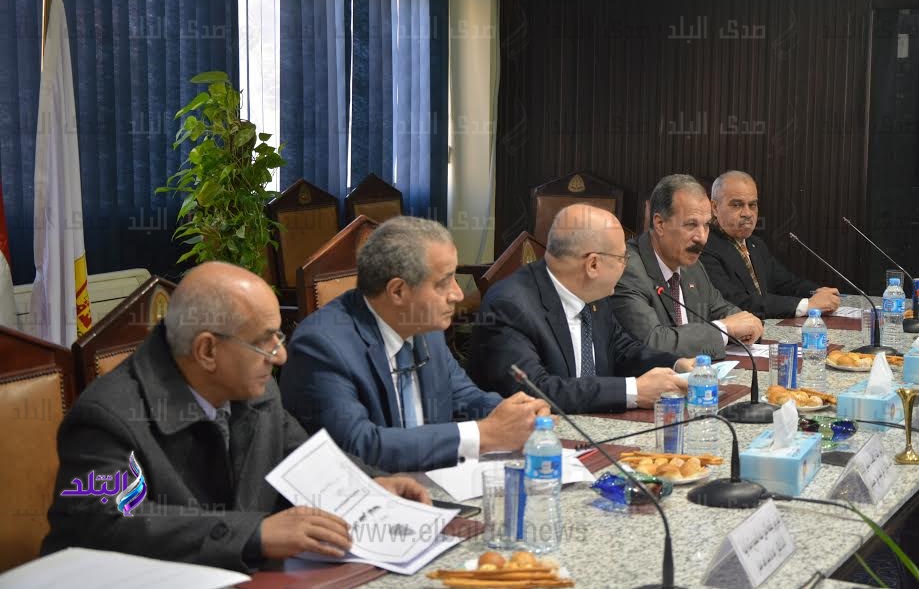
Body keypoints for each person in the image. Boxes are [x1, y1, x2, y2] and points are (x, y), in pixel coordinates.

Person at [42, 262, 429, 572]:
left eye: (279, 337)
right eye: (265, 341)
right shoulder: (106, 416)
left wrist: (370, 484)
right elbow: (104, 520)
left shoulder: (255, 389)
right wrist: (254, 533)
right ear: (208, 351)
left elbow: (303, 457)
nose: (281, 356)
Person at [281, 216, 549, 473]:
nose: (458, 294)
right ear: (398, 291)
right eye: (444, 283)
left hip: (436, 481)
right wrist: (483, 435)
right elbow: (359, 447)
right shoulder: (322, 346)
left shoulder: (424, 327)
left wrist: (519, 414)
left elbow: (463, 396)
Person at [468, 204, 692, 414]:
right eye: (622, 258)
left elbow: (621, 350)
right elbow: (535, 391)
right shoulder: (510, 306)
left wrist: (677, 365)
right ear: (593, 264)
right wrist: (634, 391)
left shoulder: (593, 293)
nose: (625, 266)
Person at [609, 174, 765, 359]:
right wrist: (725, 329)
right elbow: (652, 343)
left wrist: (748, 324)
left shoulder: (692, 266)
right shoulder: (627, 269)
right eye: (691, 225)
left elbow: (722, 310)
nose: (702, 237)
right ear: (660, 224)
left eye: (706, 225)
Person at [701, 170, 840, 319]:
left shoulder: (756, 244)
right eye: (737, 205)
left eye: (752, 205)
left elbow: (786, 283)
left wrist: (818, 292)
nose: (747, 213)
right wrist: (807, 305)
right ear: (715, 208)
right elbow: (737, 302)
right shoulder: (704, 247)